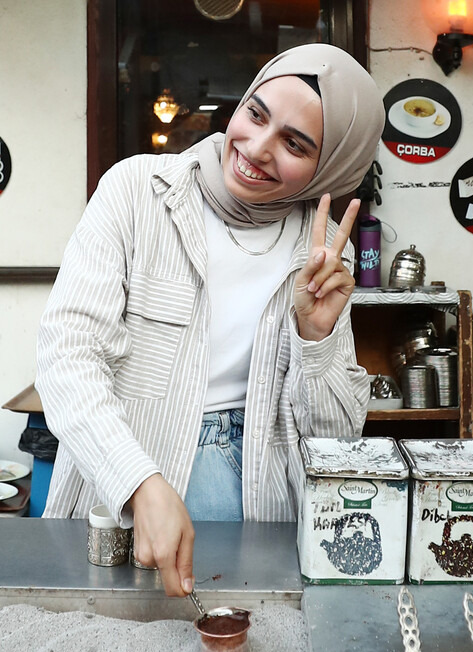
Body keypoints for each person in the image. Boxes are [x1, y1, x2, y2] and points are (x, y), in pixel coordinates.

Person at [36, 43, 385, 598]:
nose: (257, 148)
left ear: (330, 166)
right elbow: (67, 356)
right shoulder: (137, 192)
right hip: (128, 469)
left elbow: (335, 439)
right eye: (255, 114)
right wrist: (138, 482)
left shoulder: (314, 254)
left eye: (295, 144)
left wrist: (315, 337)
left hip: (263, 499)